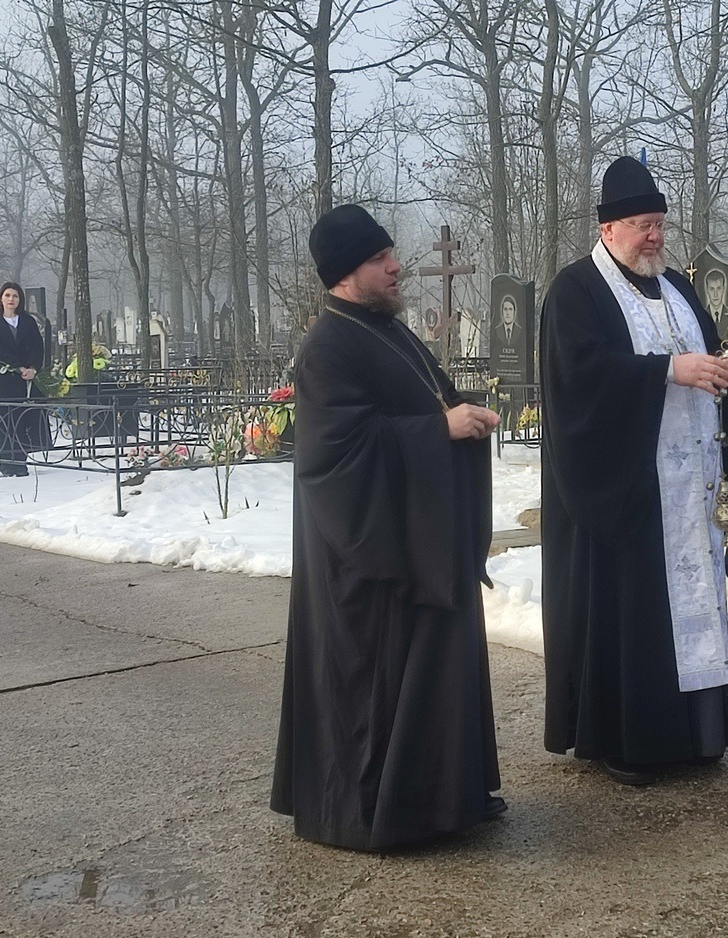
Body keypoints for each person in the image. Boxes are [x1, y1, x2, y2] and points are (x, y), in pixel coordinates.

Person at [271, 204, 504, 851]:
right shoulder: (327, 347)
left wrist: (464, 414)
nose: (396, 265)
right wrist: (438, 430)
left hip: (420, 536)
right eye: (380, 258)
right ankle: (377, 810)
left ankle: (443, 799)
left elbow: (426, 400)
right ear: (346, 273)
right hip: (371, 558)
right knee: (376, 685)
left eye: (391, 253)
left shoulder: (387, 330)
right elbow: (332, 459)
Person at [540, 156, 728, 786]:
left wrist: (725, 367)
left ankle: (698, 734)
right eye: (642, 226)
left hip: (689, 486)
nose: (655, 237)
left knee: (693, 605)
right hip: (624, 486)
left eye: (660, 224)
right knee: (634, 614)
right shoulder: (576, 290)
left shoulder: (678, 287)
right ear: (608, 229)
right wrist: (665, 371)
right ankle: (628, 741)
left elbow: (699, 354)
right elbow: (578, 379)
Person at [0, 282, 47, 477]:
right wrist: (17, 366)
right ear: (1, 298)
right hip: (4, 378)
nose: (11, 299)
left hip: (25, 378)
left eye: (15, 296)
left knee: (22, 418)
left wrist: (33, 368)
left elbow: (37, 347)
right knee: (5, 419)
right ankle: (6, 463)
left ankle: (21, 462)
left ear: (20, 300)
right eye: (7, 295)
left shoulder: (28, 321)